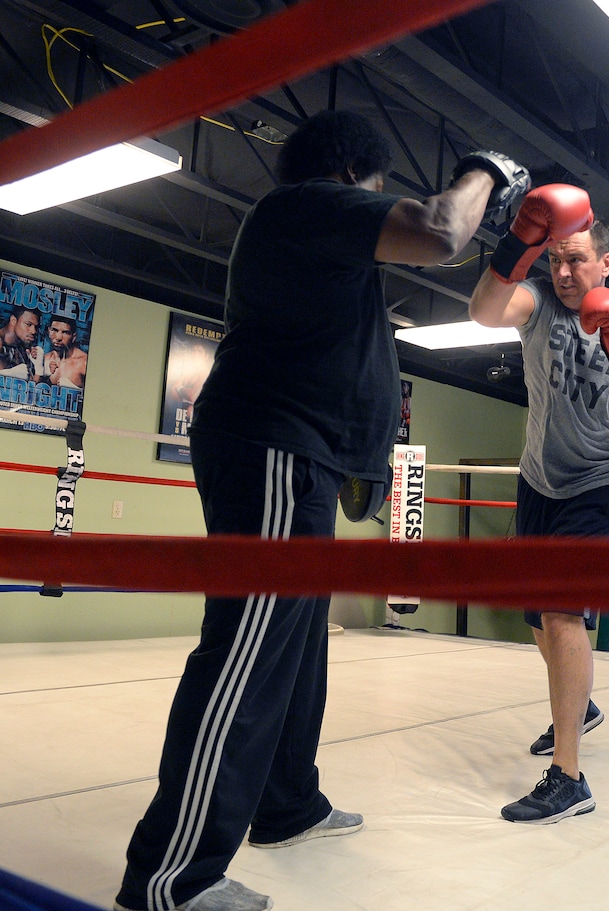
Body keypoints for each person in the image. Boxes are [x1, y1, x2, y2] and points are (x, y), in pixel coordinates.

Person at [114, 110, 530, 911]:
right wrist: (485, 168)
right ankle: (171, 874)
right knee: (248, 650)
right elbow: (442, 231)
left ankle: (286, 803)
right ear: (353, 175)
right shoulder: (307, 205)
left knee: (297, 644)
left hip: (301, 454)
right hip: (273, 445)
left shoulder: (313, 240)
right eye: (374, 191)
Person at [469, 184, 609, 824]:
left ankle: (568, 778)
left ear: (606, 263)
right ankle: (579, 703)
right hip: (540, 479)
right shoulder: (539, 306)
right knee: (536, 613)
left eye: (575, 259)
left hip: (602, 484)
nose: (562, 271)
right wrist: (516, 245)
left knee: (561, 614)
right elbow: (482, 311)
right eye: (554, 258)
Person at [41, 315, 87, 388]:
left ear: (73, 337)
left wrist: (75, 389)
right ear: (49, 331)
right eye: (54, 330)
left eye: (65, 332)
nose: (58, 337)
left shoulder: (83, 363)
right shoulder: (44, 360)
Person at [0, 305, 42, 379]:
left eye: (36, 327)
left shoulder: (22, 347)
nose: (34, 331)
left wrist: (38, 368)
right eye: (28, 324)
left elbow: (32, 386)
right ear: (13, 320)